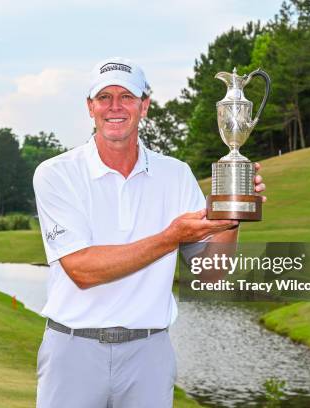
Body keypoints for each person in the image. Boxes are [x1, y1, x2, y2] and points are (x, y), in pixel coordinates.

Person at [33, 57, 266, 408]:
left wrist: (228, 218)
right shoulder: (56, 173)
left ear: (144, 106)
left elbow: (211, 274)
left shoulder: (176, 174)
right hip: (73, 350)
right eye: (104, 97)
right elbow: (83, 270)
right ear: (90, 107)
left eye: (127, 97)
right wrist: (171, 236)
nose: (115, 107)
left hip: (149, 353)